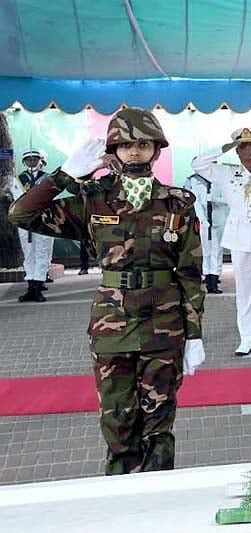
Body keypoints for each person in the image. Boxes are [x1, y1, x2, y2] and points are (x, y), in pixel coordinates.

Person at [9, 108, 206, 473]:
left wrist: (194, 334)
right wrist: (65, 175)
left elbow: (191, 274)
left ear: (156, 151)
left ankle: (161, 504)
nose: (134, 152)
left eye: (143, 144)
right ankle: (121, 503)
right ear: (113, 150)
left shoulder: (177, 203)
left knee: (159, 424)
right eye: (126, 144)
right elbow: (21, 214)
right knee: (118, 423)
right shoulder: (93, 200)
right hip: (111, 325)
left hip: (164, 325)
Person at [192, 127, 251, 354]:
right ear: (236, 150)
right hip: (240, 238)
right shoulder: (226, 173)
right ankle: (246, 337)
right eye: (242, 145)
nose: (248, 149)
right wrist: (224, 148)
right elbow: (197, 164)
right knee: (244, 290)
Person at [11, 148, 53, 302]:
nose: (32, 162)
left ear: (40, 161)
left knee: (41, 252)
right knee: (28, 253)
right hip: (25, 221)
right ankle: (30, 285)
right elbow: (17, 199)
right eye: (29, 160)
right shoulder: (18, 180)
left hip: (42, 220)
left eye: (35, 159)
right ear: (24, 162)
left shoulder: (47, 178)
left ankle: (38, 285)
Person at [184, 170, 230, 294]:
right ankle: (207, 277)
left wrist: (215, 199)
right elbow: (196, 201)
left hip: (219, 217)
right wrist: (203, 219)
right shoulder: (195, 180)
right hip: (204, 219)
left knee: (217, 250)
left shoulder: (221, 178)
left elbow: (229, 198)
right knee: (205, 251)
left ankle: (214, 279)